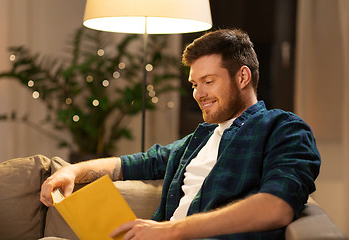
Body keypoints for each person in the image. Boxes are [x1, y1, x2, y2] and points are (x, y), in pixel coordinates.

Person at [40, 29, 321, 240]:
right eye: (194, 84)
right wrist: (73, 173)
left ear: (243, 77)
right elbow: (131, 163)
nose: (198, 94)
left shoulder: (283, 129)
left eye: (208, 82)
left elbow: (277, 206)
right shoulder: (198, 140)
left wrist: (170, 231)